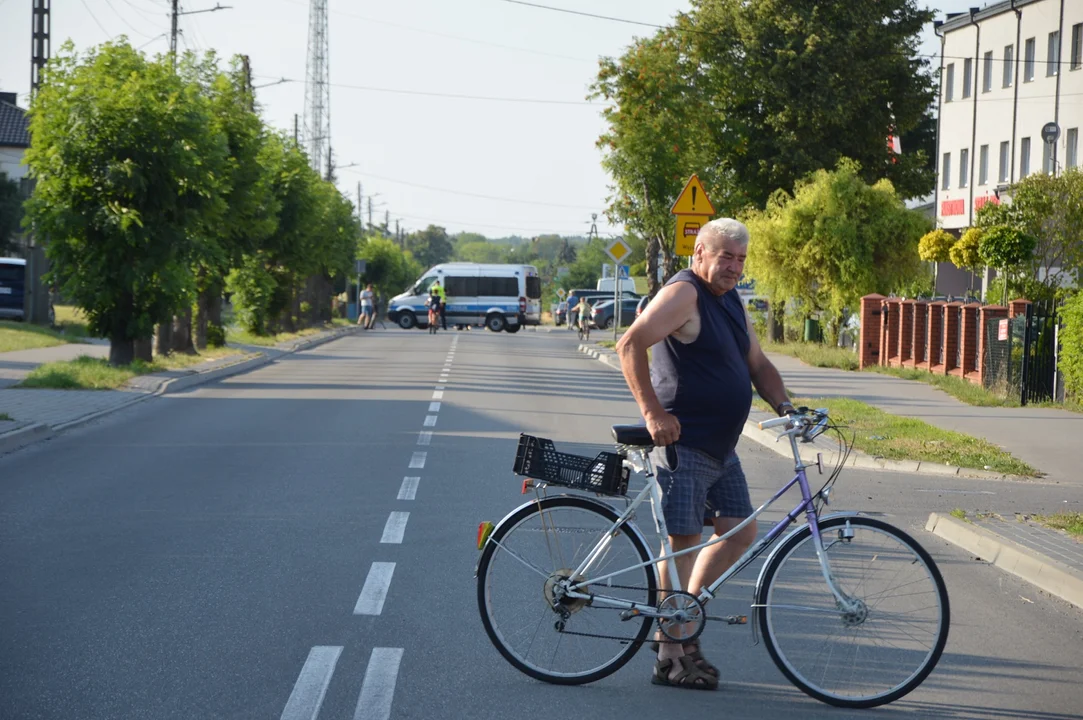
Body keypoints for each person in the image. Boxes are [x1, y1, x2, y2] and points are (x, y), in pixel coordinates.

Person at [614, 218, 794, 691]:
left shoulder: (729, 300)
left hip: (720, 447)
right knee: (682, 542)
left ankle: (682, 618)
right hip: (683, 442)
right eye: (724, 256)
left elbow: (757, 363)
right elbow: (630, 343)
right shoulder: (685, 294)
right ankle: (669, 651)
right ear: (699, 255)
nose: (734, 266)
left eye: (740, 259)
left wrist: (787, 406)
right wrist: (653, 413)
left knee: (740, 531)